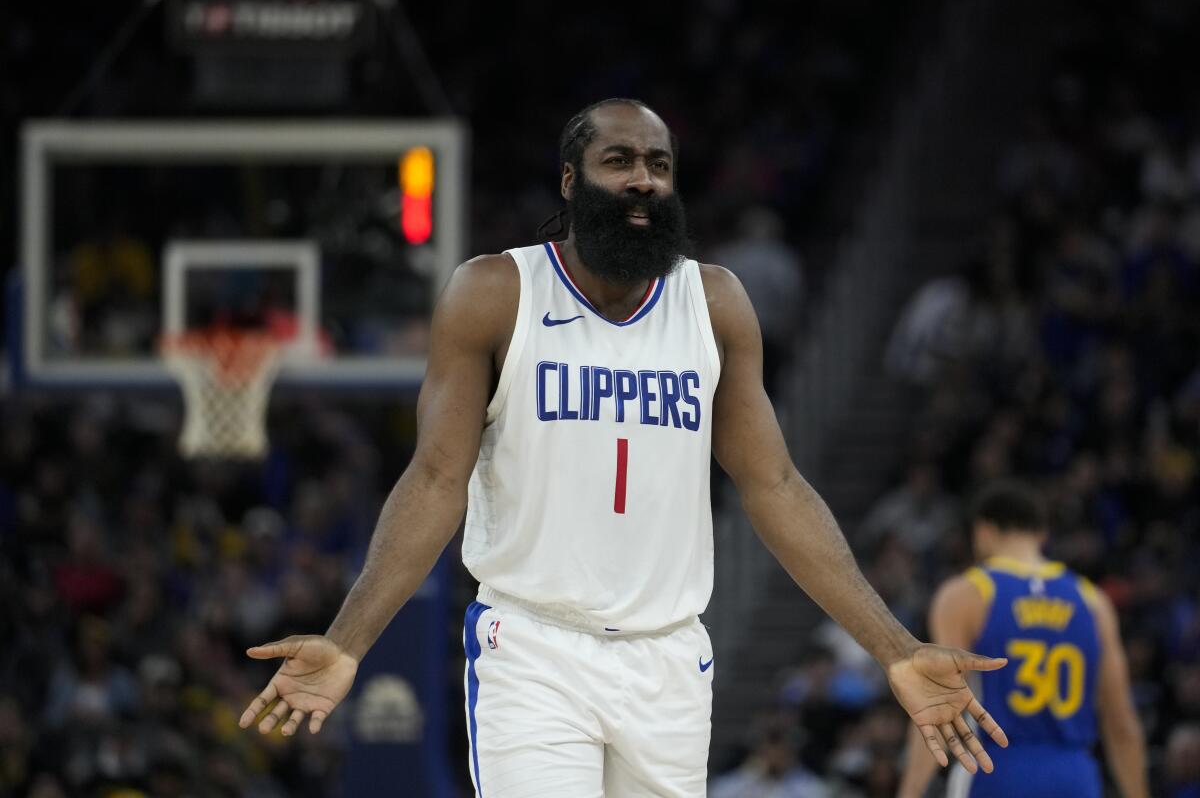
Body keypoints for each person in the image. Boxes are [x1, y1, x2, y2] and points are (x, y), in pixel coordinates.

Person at [237, 98, 1010, 796]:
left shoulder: (715, 302)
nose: (643, 179)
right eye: (620, 161)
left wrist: (895, 648)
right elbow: (437, 477)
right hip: (533, 646)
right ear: (571, 181)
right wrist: (347, 642)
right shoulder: (495, 293)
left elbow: (774, 487)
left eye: (659, 164)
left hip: (668, 657)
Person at [896, 480, 1148, 798]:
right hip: (1074, 775)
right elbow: (1121, 721)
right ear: (1042, 534)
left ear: (983, 531)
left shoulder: (967, 594)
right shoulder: (1093, 601)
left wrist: (909, 792)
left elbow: (937, 704)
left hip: (997, 769)